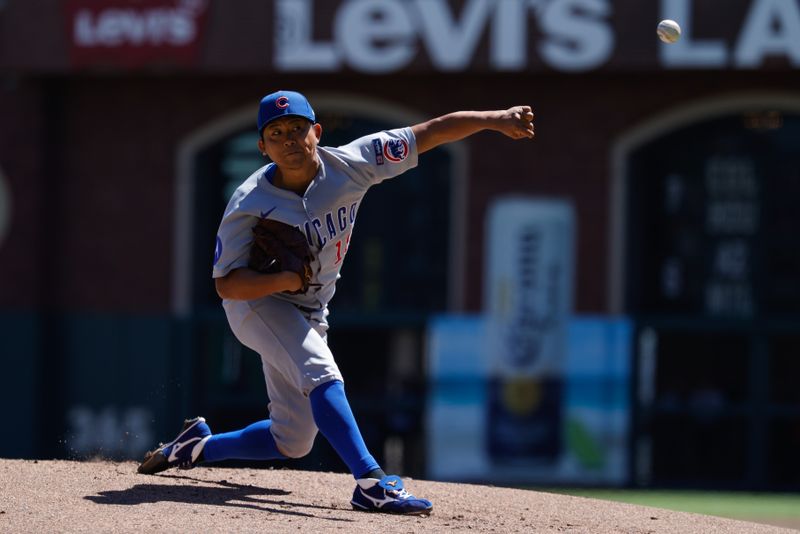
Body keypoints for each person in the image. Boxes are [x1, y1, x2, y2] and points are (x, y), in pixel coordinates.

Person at [138, 90, 535, 515]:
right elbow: (227, 287)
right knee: (321, 372)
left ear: (317, 132)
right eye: (276, 133)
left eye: (297, 128)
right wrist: (282, 277)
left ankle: (196, 447)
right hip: (259, 305)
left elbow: (430, 132)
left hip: (312, 308)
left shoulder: (353, 163)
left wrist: (496, 118)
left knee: (292, 440)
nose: (289, 139)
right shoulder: (249, 201)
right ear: (263, 147)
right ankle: (371, 481)